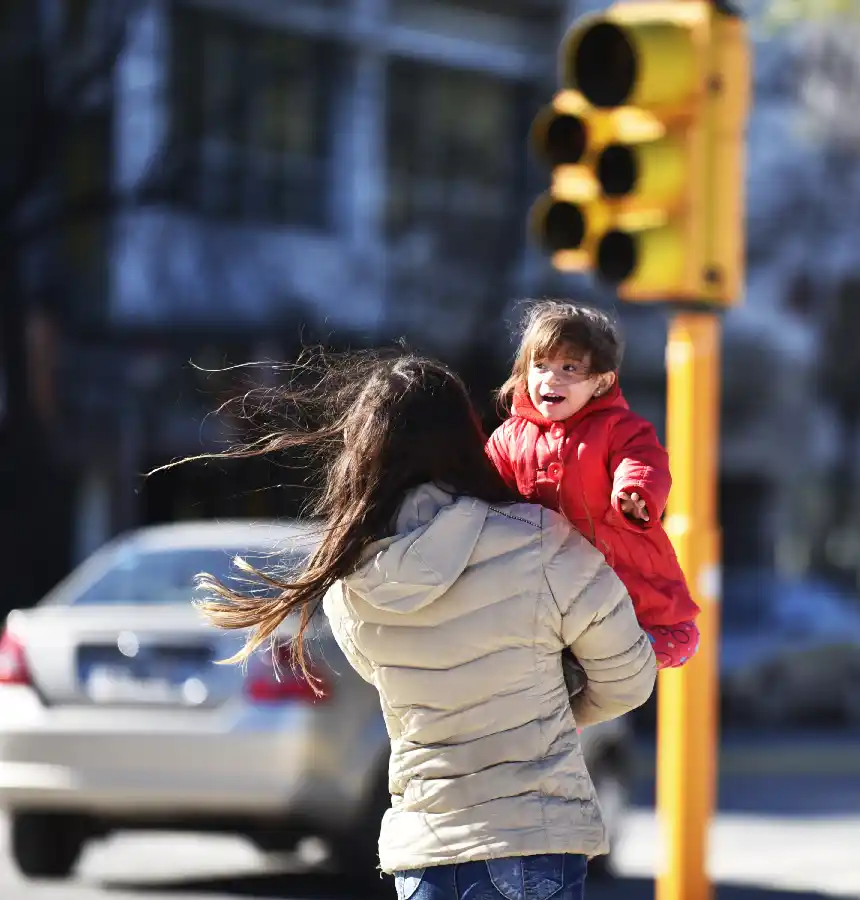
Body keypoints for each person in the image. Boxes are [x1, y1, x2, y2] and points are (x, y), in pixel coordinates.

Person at [163, 351, 657, 898]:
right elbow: (630, 678)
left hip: (426, 852)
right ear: (468, 440)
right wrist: (559, 711)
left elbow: (390, 680)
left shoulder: (351, 585)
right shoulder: (541, 542)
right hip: (531, 841)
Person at [486, 300, 701, 674]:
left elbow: (641, 460)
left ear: (601, 381)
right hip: (546, 587)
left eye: (569, 368)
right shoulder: (510, 437)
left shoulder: (617, 427)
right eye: (540, 366)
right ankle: (576, 669)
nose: (550, 379)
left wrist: (635, 491)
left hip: (622, 581)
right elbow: (483, 483)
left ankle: (598, 662)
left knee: (679, 640)